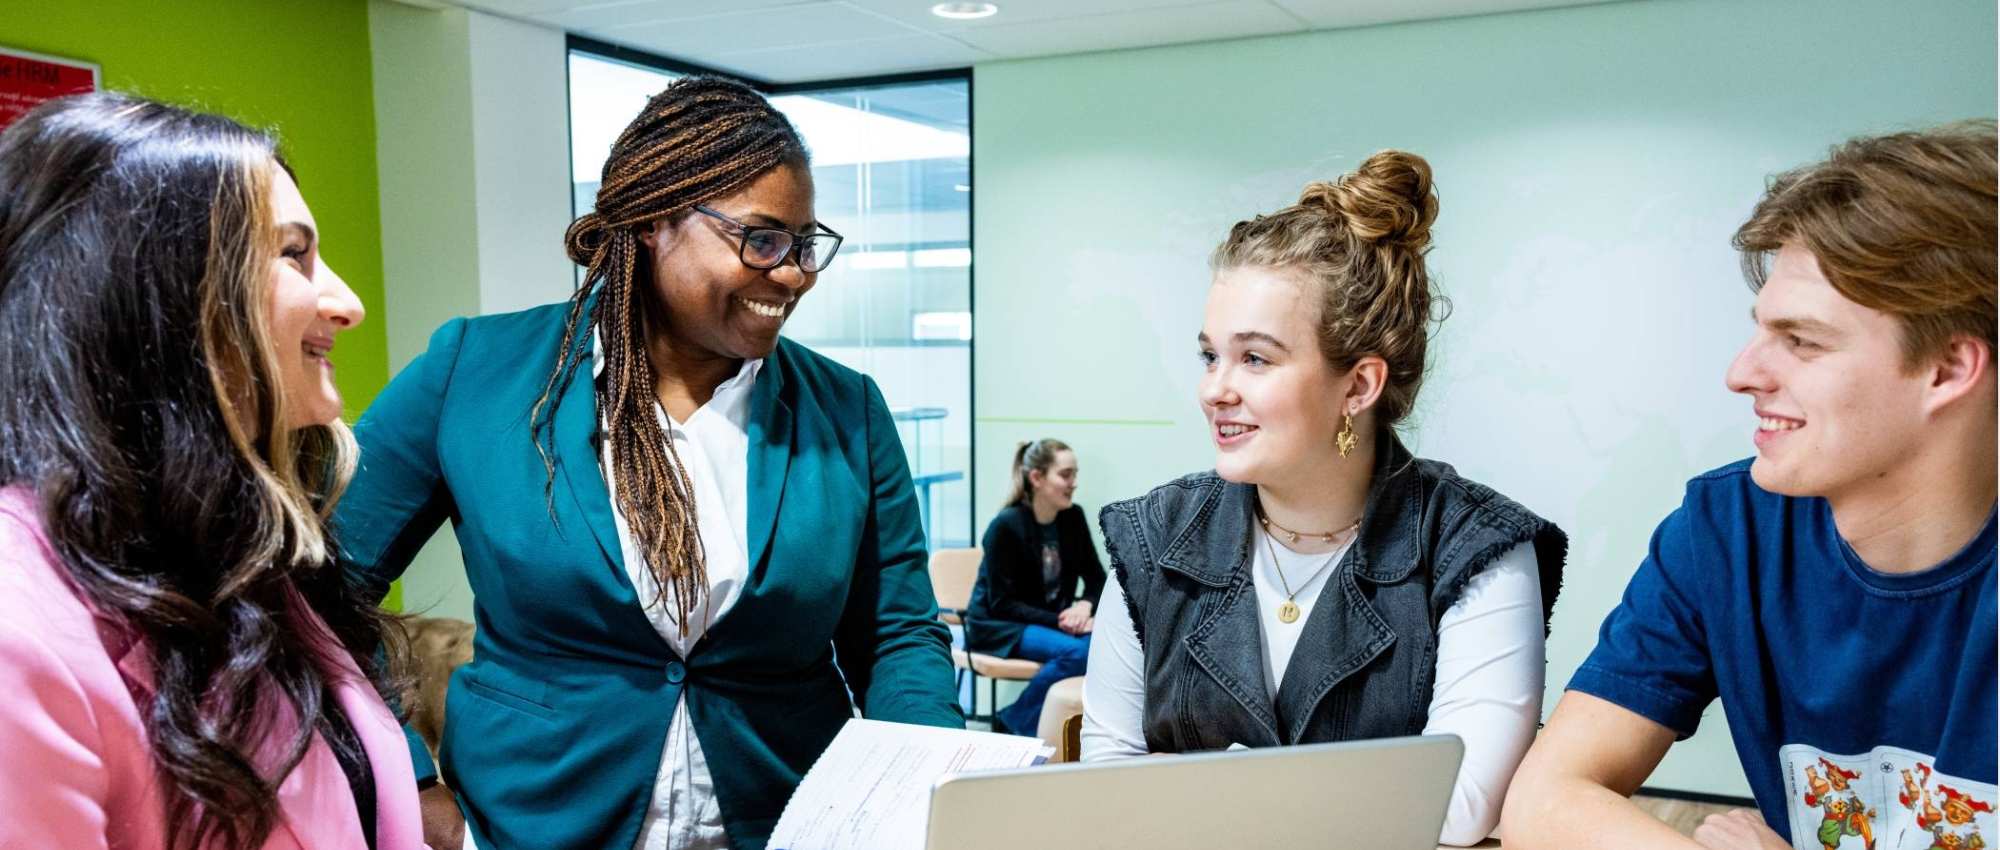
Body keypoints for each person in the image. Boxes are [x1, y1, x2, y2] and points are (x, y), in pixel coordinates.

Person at [334, 75, 962, 850]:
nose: (793, 273)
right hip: (530, 824)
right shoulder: (477, 373)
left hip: (784, 822)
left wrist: (935, 791)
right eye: (762, 240)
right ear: (658, 219)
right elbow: (319, 583)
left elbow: (897, 634)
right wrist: (408, 782)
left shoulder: (847, 411)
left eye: (804, 246)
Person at [1502, 124, 1997, 850]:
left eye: (1803, 341)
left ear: (1948, 371)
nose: (1742, 373)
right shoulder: (1727, 530)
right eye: (1763, 331)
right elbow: (1545, 802)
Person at [1080, 150, 1567, 846]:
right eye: (1209, 355)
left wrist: (1196, 790)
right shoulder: (1152, 537)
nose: (1215, 389)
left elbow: (1458, 808)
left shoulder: (1474, 545)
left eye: (1255, 358)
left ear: (1359, 386)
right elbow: (1106, 788)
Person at [0, 93, 420, 849]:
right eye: (294, 255)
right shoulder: (16, 629)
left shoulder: (241, 559)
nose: (348, 303)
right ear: (152, 288)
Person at [964, 438, 1106, 735]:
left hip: (1046, 620)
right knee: (1078, 653)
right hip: (999, 625)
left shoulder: (1073, 518)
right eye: (1066, 475)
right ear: (1037, 478)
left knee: (1098, 647)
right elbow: (1001, 603)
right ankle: (1020, 723)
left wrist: (1084, 606)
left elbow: (1096, 578)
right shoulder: (1004, 526)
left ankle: (1015, 720)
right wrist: (1062, 621)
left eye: (1075, 474)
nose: (1074, 483)